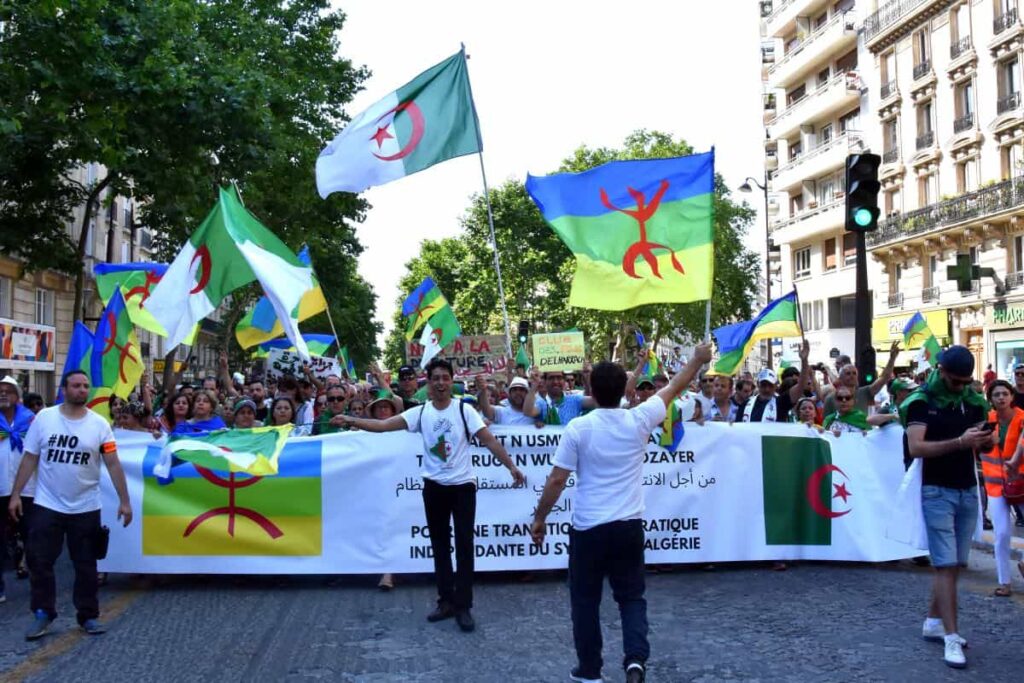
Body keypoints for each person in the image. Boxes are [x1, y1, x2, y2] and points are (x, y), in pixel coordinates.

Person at [530, 344, 712, 683]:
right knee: (631, 598)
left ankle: (589, 670)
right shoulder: (640, 418)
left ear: (592, 391)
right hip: (628, 526)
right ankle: (635, 662)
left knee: (585, 602)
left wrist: (540, 518)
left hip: (588, 529)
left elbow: (557, 479)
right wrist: (698, 360)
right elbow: (674, 387)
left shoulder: (579, 429)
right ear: (623, 390)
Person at [333, 358, 525, 633]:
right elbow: (385, 425)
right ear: (429, 381)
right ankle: (445, 601)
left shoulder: (464, 410)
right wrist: (352, 419)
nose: (441, 383)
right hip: (434, 488)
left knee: (464, 546)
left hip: (462, 487)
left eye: (445, 378)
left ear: (452, 380)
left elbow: (489, 440)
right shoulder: (421, 413)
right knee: (439, 547)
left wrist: (511, 466)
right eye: (435, 378)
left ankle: (464, 606)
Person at [8, 370, 132, 640]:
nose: (82, 390)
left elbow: (112, 462)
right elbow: (29, 458)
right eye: (76, 385)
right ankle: (43, 612)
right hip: (47, 504)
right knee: (40, 561)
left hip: (86, 505)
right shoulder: (44, 419)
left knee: (86, 564)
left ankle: (87, 615)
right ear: (64, 389)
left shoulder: (100, 425)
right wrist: (17, 494)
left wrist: (125, 500)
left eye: (86, 386)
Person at [902, 345, 992, 669]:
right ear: (941, 372)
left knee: (955, 565)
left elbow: (982, 444)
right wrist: (960, 442)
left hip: (968, 489)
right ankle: (952, 637)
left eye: (966, 381)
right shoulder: (920, 402)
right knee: (945, 564)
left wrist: (986, 440)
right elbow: (916, 447)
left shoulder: (973, 401)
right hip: (936, 491)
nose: (961, 387)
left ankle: (933, 622)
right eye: (956, 381)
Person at [979, 380, 1024, 597]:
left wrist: (1015, 461)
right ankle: (1004, 582)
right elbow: (978, 448)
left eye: (1005, 394)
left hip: (1020, 483)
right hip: (995, 485)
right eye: (996, 394)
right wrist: (988, 440)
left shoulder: (1022, 417)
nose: (1001, 398)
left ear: (1012, 396)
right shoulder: (987, 421)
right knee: (1003, 534)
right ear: (991, 399)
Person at [1, 375, 35, 602]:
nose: (3, 394)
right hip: (1, 488)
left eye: (8, 390)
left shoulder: (31, 421)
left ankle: (39, 584)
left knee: (33, 537)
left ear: (17, 396)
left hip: (28, 490)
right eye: (0, 391)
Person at [822, 341, 900, 415]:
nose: (852, 375)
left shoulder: (865, 392)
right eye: (848, 373)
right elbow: (826, 424)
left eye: (854, 373)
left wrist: (892, 359)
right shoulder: (830, 399)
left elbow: (884, 378)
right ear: (841, 378)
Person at [741, 340, 810, 423]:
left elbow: (800, 387)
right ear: (758, 385)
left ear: (776, 386)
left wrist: (804, 361)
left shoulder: (780, 403)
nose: (767, 389)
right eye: (763, 385)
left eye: (770, 385)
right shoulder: (746, 404)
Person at [524, 367, 595, 425]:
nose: (555, 382)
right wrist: (534, 386)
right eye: (551, 378)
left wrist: (588, 377)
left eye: (559, 378)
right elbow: (528, 412)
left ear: (564, 381)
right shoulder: (541, 403)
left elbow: (597, 401)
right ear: (545, 381)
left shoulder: (574, 400)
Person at [822, 387, 895, 435]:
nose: (844, 401)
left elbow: (871, 436)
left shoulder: (861, 417)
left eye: (847, 398)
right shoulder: (829, 419)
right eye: (840, 398)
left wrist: (866, 434)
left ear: (853, 401)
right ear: (835, 401)